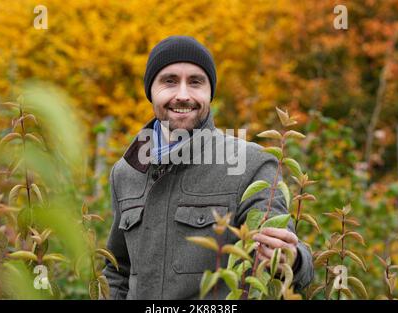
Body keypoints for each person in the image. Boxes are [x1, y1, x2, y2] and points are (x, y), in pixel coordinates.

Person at [103, 35, 314, 299]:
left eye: (195, 82)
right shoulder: (125, 172)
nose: (183, 95)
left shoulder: (251, 164)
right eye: (169, 81)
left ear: (209, 92)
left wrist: (291, 260)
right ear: (151, 91)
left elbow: (290, 258)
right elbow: (118, 270)